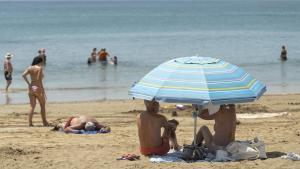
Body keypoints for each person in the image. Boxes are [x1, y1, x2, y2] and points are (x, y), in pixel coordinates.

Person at [22, 56, 49, 126]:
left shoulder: (30, 67)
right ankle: (44, 122)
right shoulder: (39, 68)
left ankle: (30, 123)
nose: (43, 63)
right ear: (39, 62)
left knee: (32, 106)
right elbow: (39, 80)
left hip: (31, 88)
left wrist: (28, 84)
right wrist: (42, 90)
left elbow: (23, 75)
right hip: (37, 88)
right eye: (42, 62)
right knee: (42, 105)